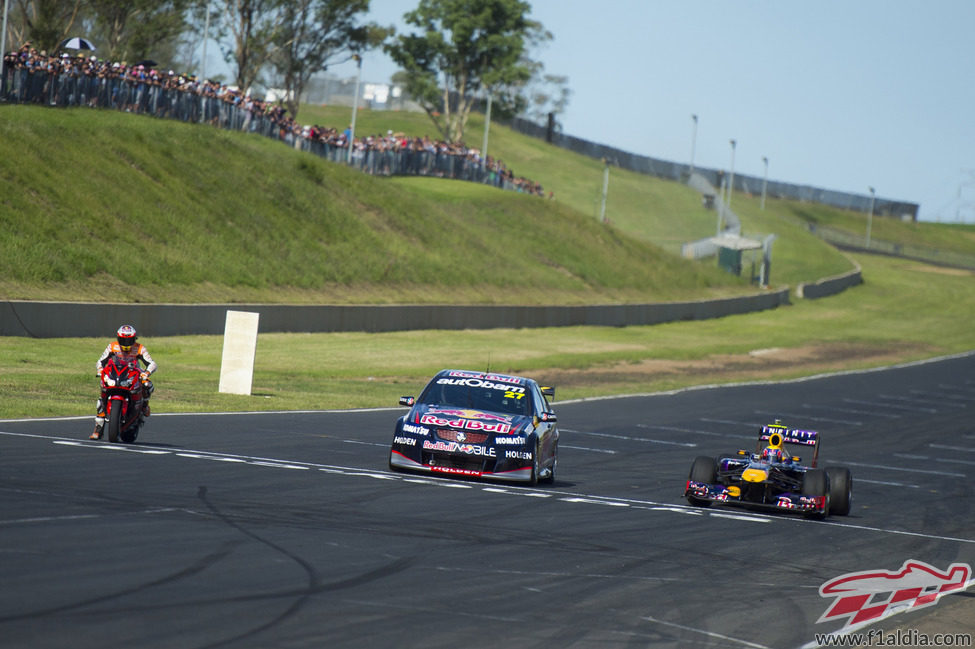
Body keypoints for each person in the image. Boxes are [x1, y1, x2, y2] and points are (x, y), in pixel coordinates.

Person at [90, 324, 157, 440]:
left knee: (148, 385)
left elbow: (152, 363)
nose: (126, 343)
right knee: (102, 395)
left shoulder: (140, 348)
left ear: (134, 339)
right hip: (115, 373)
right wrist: (100, 370)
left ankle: (145, 405)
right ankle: (98, 430)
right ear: (118, 338)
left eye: (129, 340)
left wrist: (146, 373)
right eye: (123, 340)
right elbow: (101, 361)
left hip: (133, 371)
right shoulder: (112, 347)